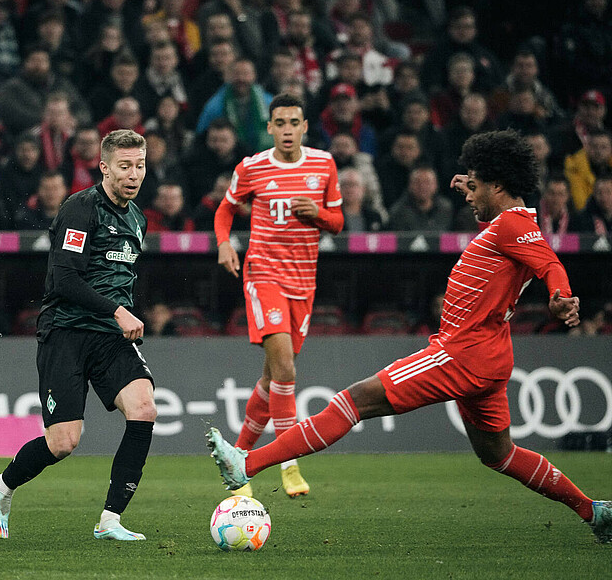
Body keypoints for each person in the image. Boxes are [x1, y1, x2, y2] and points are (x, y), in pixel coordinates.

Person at [207, 130, 612, 545]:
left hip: (461, 353)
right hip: (489, 356)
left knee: (353, 401)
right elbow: (520, 235)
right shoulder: (507, 221)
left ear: (497, 184)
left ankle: (247, 463)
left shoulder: (512, 225)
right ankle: (594, 511)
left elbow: (550, 263)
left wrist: (561, 297)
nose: (469, 194)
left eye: (475, 184)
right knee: (499, 454)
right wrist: (468, 184)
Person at [0, 129, 155, 542]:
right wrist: (117, 311)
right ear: (105, 167)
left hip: (109, 337)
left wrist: (120, 313)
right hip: (67, 332)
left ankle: (110, 520)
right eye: (125, 166)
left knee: (144, 408)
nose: (134, 174)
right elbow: (64, 280)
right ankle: (0, 487)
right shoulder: (80, 210)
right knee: (63, 442)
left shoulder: (137, 218)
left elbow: (119, 280)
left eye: (140, 166)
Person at [213, 93, 343, 498]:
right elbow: (225, 210)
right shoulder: (252, 167)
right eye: (280, 123)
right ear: (269, 127)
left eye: (294, 122)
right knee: (285, 368)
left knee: (271, 379)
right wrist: (224, 243)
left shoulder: (324, 164)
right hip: (262, 274)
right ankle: (289, 463)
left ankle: (237, 458)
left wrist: (316, 215)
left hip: (303, 282)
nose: (287, 130)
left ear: (305, 126)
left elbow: (337, 222)